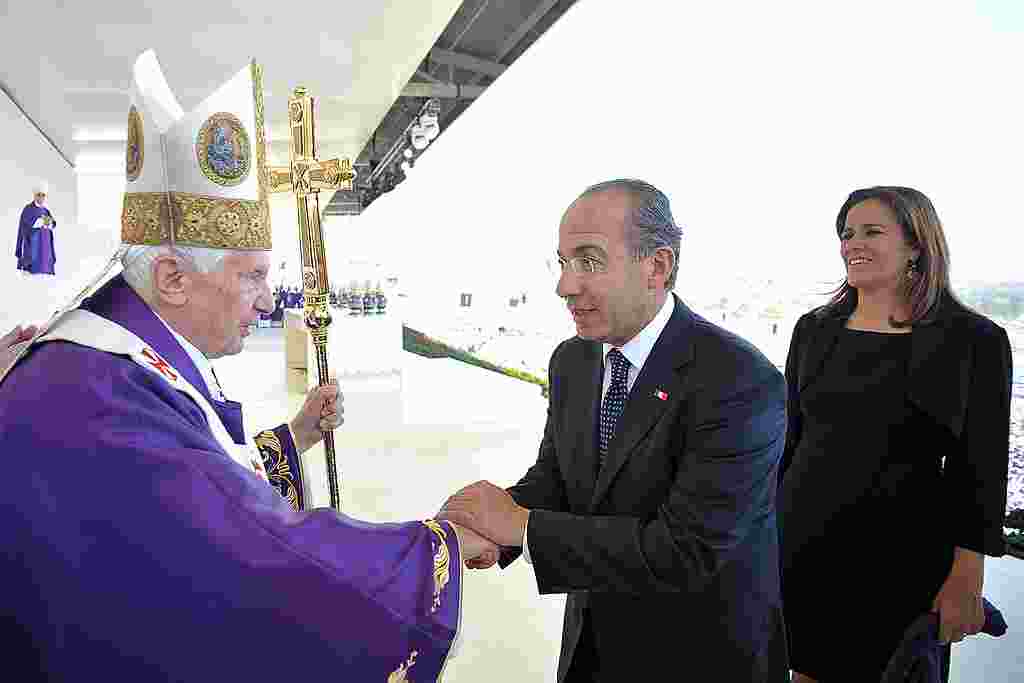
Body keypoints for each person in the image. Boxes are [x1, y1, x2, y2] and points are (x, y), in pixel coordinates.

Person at [0, 50, 496, 681]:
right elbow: (247, 553)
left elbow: (190, 481)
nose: (267, 300)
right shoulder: (103, 394)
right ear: (173, 277)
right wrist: (433, 550)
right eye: (253, 277)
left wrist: (295, 439)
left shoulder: (111, 359)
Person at [439, 179, 789, 681]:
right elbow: (559, 480)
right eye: (563, 262)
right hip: (592, 651)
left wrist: (520, 526)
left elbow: (685, 550)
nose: (565, 285)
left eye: (590, 261)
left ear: (658, 266)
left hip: (699, 658)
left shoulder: (739, 381)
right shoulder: (572, 361)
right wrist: (485, 529)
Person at [777, 186, 1012, 683]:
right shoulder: (813, 330)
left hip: (906, 565)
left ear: (915, 244)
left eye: (871, 231)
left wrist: (966, 580)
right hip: (805, 552)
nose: (851, 243)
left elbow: (981, 470)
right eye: (846, 233)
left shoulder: (974, 340)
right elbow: (788, 446)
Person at [15, 182, 57, 275]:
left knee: (44, 276)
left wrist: (49, 224)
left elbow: (53, 224)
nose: (41, 197)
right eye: (39, 195)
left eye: (43, 195)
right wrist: (40, 222)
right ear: (34, 195)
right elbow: (26, 225)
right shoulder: (28, 208)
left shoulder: (46, 210)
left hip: (45, 246)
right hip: (33, 246)